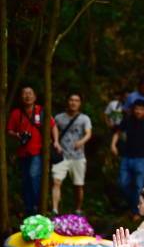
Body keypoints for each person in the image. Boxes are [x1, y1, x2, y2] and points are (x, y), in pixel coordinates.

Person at [7, 86, 60, 215]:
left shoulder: (41, 111)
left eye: (30, 93)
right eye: (24, 93)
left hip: (38, 151)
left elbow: (53, 126)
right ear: (21, 97)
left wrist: (56, 141)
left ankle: (37, 206)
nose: (27, 96)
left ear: (35, 97)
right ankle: (29, 208)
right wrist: (17, 135)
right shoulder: (16, 113)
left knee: (33, 176)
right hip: (22, 152)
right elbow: (9, 130)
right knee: (26, 180)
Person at [111, 99, 144, 216]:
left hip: (141, 158)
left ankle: (136, 211)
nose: (138, 111)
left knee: (139, 186)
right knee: (122, 183)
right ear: (133, 109)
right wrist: (113, 145)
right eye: (136, 109)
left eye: (141, 109)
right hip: (126, 157)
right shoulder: (127, 120)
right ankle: (132, 203)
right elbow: (117, 132)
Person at [51, 93, 92, 215]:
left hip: (78, 156)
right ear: (67, 101)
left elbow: (88, 133)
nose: (73, 102)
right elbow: (53, 131)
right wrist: (56, 142)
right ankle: (54, 210)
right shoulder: (58, 118)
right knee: (56, 182)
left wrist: (82, 141)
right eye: (71, 100)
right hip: (61, 155)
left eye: (76, 100)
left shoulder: (84, 118)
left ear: (80, 103)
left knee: (78, 185)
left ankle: (78, 209)